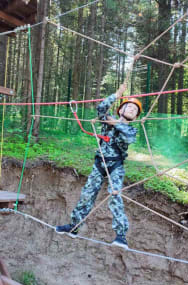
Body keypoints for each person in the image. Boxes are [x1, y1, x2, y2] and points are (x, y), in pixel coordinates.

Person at [56, 83, 142, 249]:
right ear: (120, 110)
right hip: (99, 163)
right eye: (128, 106)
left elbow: (128, 138)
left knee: (115, 196)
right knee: (87, 195)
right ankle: (74, 226)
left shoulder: (131, 130)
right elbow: (101, 108)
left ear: (136, 117)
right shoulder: (106, 121)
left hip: (115, 165)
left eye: (134, 110)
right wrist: (116, 95)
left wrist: (114, 123)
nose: (131, 109)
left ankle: (121, 237)